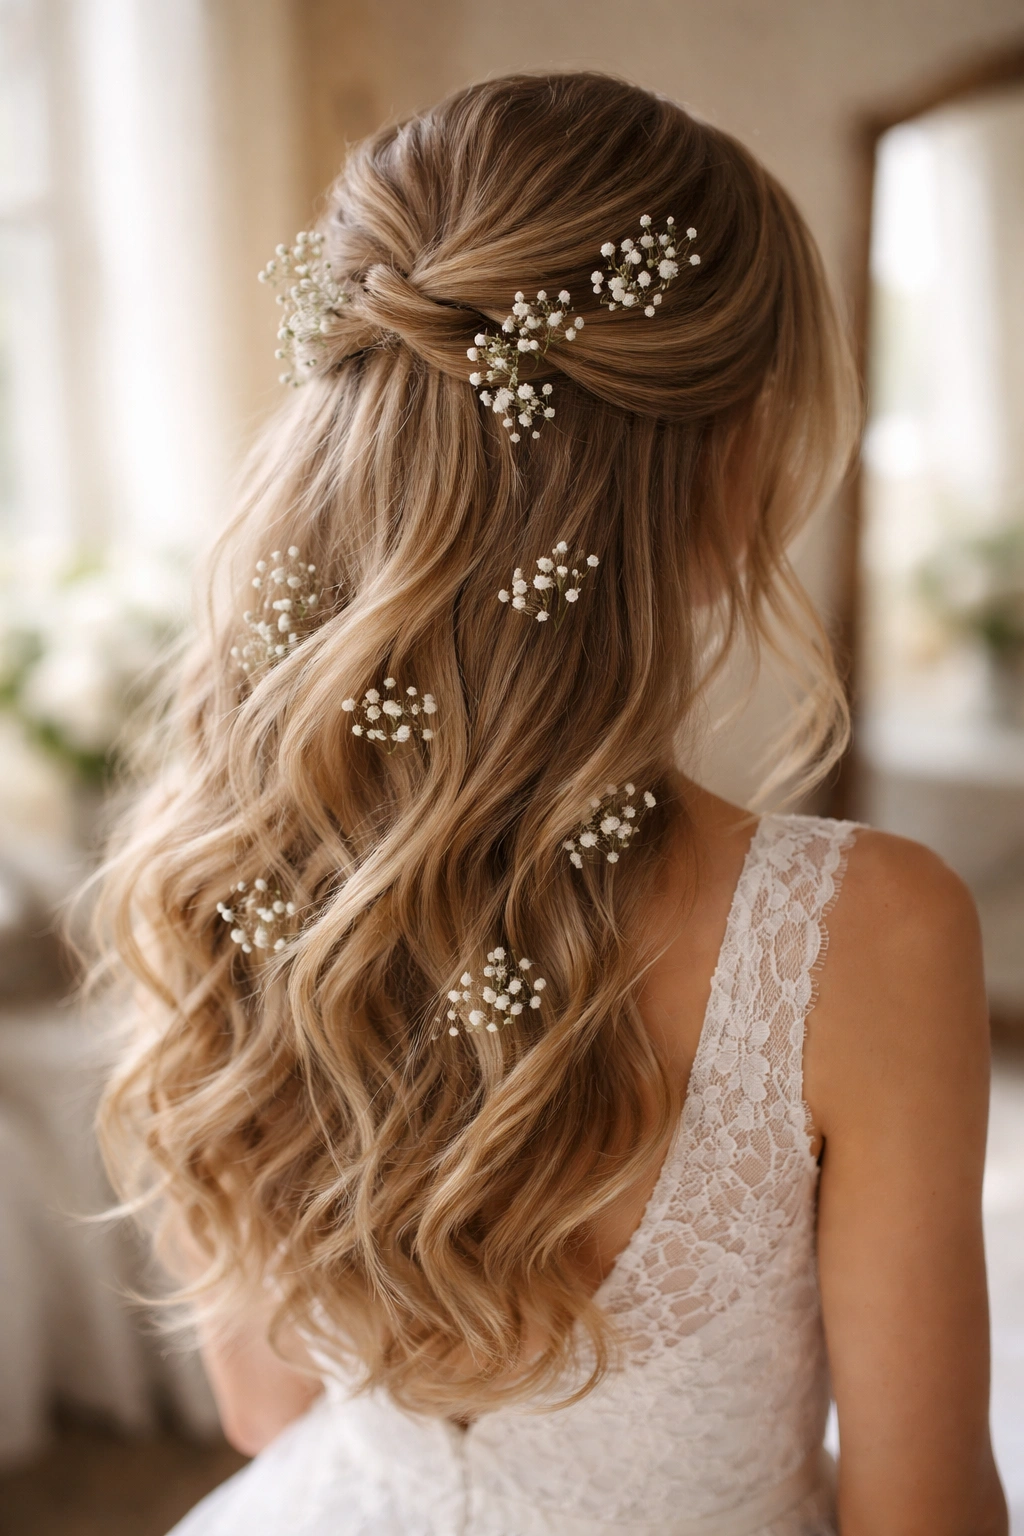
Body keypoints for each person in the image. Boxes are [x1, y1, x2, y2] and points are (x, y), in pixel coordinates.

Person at [95, 72, 1007, 1536]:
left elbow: (266, 1413)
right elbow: (926, 1514)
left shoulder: (237, 858)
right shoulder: (869, 934)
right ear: (725, 465)